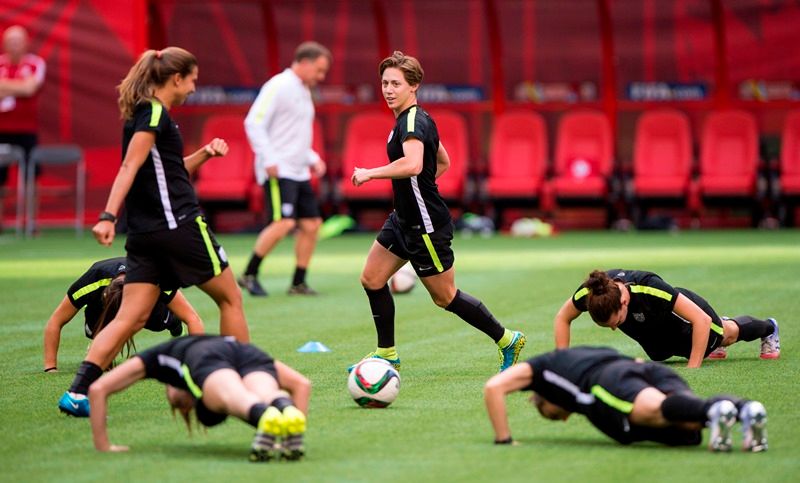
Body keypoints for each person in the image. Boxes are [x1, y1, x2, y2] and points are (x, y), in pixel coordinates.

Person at [58, 46, 250, 418]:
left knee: (130, 317)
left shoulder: (145, 114)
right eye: (192, 79)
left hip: (146, 236)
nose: (194, 87)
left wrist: (206, 153)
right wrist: (107, 215)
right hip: (179, 227)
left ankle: (78, 392)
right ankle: (240, 380)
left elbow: (169, 170)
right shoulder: (156, 113)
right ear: (176, 78)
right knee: (231, 300)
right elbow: (129, 166)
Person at [349, 51, 525, 372]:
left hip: (424, 225)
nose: (388, 89)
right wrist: (418, 190)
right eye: (385, 83)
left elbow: (415, 164)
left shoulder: (414, 120)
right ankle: (386, 353)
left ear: (413, 86)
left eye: (396, 84)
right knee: (372, 279)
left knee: (445, 297)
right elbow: (442, 161)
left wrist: (371, 173)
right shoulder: (408, 120)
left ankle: (507, 339)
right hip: (403, 219)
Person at [484, 346, 769, 452]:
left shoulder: (541, 370)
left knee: (656, 411)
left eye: (552, 414)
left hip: (610, 379)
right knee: (688, 427)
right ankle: (745, 409)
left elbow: (494, 387)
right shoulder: (575, 356)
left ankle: (716, 409)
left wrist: (504, 440)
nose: (565, 416)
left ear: (543, 398)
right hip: (645, 368)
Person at [88, 335, 311, 461]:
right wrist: (290, 437)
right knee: (266, 392)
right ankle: (284, 411)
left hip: (205, 357)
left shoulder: (156, 358)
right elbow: (302, 384)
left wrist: (103, 445)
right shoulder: (221, 342)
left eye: (175, 401)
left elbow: (98, 389)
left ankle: (262, 414)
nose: (178, 402)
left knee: (233, 396)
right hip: (246, 351)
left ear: (170, 387)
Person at [239, 41, 331, 297]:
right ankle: (249, 274)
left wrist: (312, 157)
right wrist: (268, 159)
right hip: (279, 171)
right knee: (283, 223)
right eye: (319, 70)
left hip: (298, 170)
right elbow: (253, 123)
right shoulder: (278, 85)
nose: (321, 77)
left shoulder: (303, 90)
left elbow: (293, 133)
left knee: (312, 224)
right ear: (304, 62)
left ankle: (298, 282)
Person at [553, 269, 780, 368]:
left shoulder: (650, 287)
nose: (614, 330)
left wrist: (693, 368)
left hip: (688, 319)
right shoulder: (593, 291)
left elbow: (700, 320)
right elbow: (563, 318)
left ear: (623, 302)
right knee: (659, 355)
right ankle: (706, 345)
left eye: (617, 323)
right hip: (654, 329)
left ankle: (769, 328)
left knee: (726, 335)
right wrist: (562, 361)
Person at [43, 257, 204, 373]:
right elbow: (56, 321)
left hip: (147, 304)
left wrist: (197, 363)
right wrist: (51, 368)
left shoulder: (154, 278)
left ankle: (173, 323)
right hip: (102, 309)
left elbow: (192, 318)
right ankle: (100, 341)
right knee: (96, 337)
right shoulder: (91, 281)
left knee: (162, 321)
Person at [0, 25, 45, 185]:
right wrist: (20, 86)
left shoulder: (35, 63)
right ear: (4, 43)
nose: (14, 45)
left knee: (31, 178)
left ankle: (31, 211)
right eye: (11, 41)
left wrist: (5, 86)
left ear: (26, 43)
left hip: (26, 130)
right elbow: (24, 88)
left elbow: (29, 89)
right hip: (2, 130)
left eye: (18, 41)